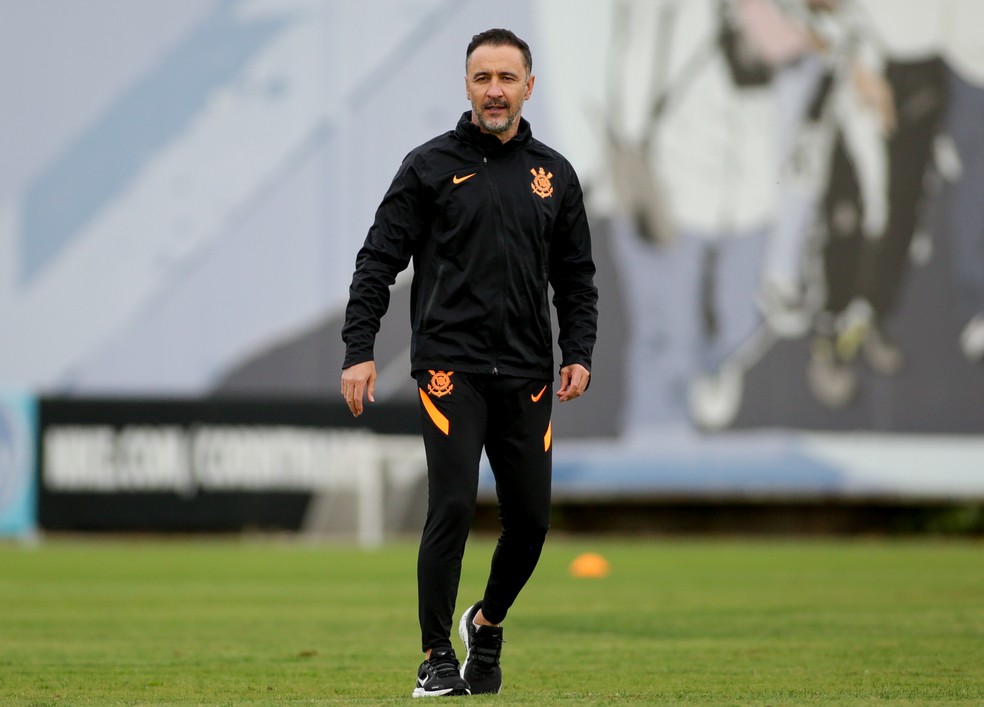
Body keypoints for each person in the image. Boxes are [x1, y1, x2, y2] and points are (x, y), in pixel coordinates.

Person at [340, 28, 598, 698]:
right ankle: (435, 656)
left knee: (532, 520)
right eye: (482, 77)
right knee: (452, 504)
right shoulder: (429, 165)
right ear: (466, 85)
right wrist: (358, 349)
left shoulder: (555, 175)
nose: (494, 90)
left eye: (507, 78)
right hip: (450, 367)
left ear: (528, 87)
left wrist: (578, 351)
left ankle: (485, 622)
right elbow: (377, 261)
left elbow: (576, 277)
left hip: (526, 372)